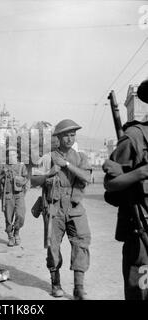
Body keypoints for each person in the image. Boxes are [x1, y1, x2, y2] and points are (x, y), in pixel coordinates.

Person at [31, 119, 91, 300]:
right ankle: (55, 283)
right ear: (58, 137)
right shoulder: (48, 158)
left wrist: (66, 165)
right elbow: (33, 180)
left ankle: (78, 288)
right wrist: (49, 173)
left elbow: (87, 177)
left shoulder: (80, 157)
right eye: (66, 135)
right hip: (54, 207)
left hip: (75, 208)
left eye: (73, 135)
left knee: (81, 243)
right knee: (53, 247)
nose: (70, 138)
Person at [103, 81, 148, 300]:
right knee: (141, 295)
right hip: (143, 239)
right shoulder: (134, 139)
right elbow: (111, 189)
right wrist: (138, 175)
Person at [0, 147, 29, 247]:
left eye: (13, 154)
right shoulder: (4, 166)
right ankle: (10, 236)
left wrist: (19, 181)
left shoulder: (21, 166)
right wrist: (3, 176)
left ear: (16, 155)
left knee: (21, 215)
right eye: (9, 155)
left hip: (18, 194)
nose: (11, 157)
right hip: (8, 195)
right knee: (8, 218)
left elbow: (26, 179)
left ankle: (16, 231)